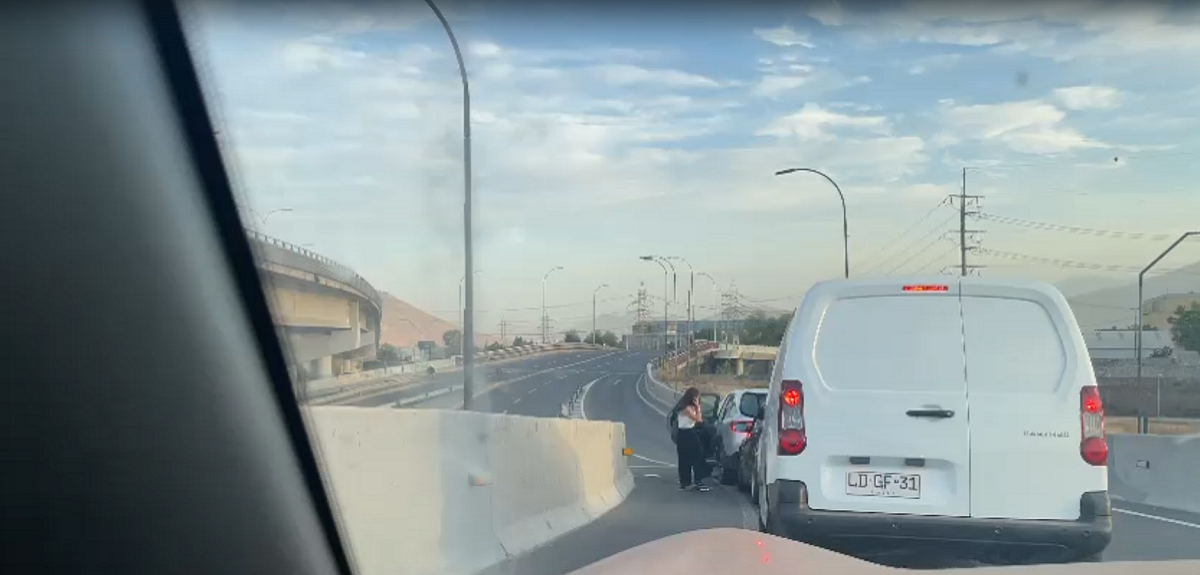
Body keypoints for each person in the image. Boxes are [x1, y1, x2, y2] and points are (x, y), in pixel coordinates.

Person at [672, 387, 710, 492]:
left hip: (685, 434)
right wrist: (698, 407)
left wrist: (697, 408)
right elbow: (699, 420)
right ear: (692, 398)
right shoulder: (686, 409)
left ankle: (685, 482)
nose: (698, 400)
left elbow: (699, 419)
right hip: (687, 434)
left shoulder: (684, 407)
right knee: (697, 456)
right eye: (696, 398)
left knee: (684, 458)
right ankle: (697, 480)